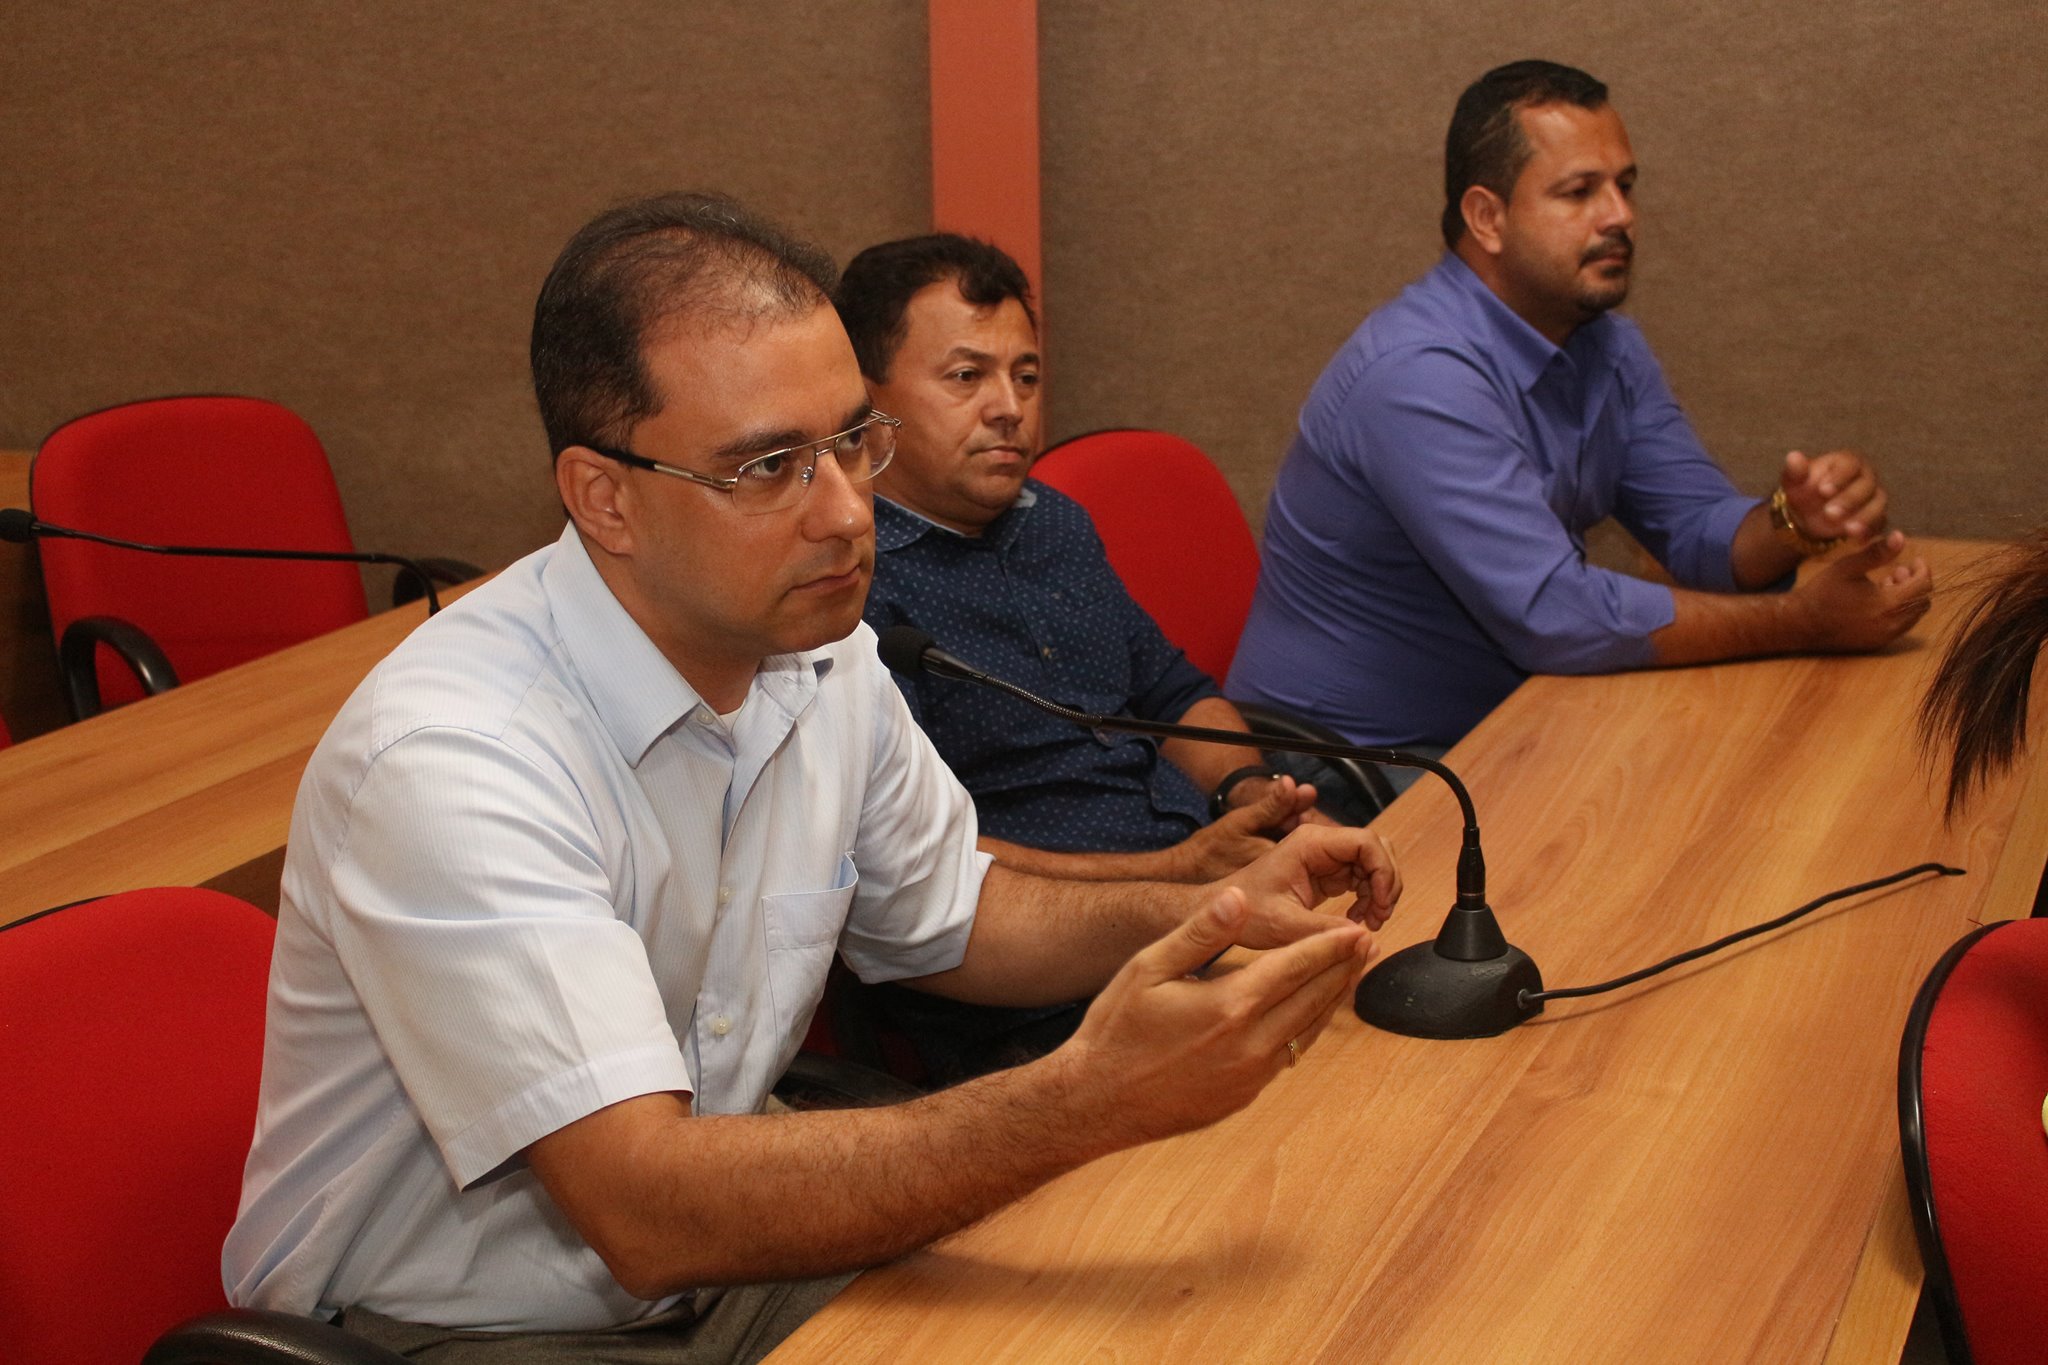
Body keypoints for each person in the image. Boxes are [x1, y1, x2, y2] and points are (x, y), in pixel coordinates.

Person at [223, 192, 1402, 1363]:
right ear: (604, 498)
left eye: (849, 443)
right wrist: (1086, 1098)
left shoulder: (818, 651)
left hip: (717, 1251)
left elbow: (953, 917)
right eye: (770, 466)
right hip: (467, 1329)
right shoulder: (456, 758)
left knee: (1193, 1294)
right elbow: (642, 1208)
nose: (845, 513)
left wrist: (1214, 906)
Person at [1228, 60, 1935, 761]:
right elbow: (1555, 618)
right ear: (1487, 218)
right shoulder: (1419, 376)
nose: (1620, 215)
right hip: (1351, 768)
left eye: (1624, 186)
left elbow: (1695, 533)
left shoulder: (1605, 344)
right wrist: (1804, 621)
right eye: (1579, 192)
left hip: (1514, 723)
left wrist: (1793, 521)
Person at [838, 233, 1328, 887]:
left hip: (1201, 863)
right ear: (865, 407)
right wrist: (1176, 874)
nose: (1009, 409)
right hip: (1056, 924)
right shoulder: (849, 582)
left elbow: (1172, 695)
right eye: (967, 377)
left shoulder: (1054, 522)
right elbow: (908, 855)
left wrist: (1253, 799)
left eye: (1026, 377)